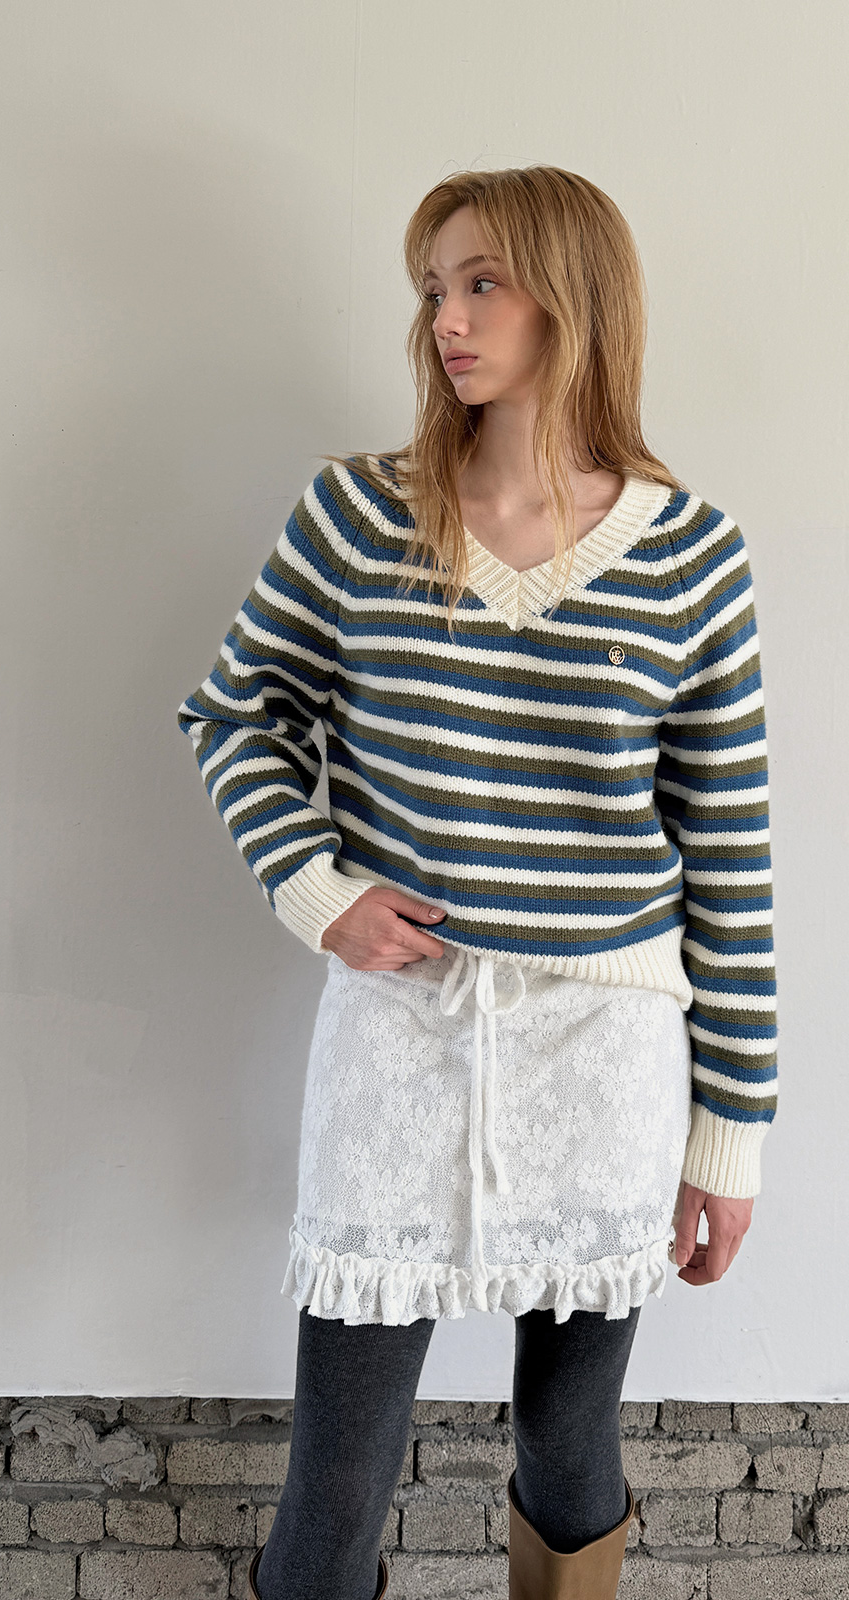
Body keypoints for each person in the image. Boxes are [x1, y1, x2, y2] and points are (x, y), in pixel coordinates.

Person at [177, 164, 778, 1600]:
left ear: (576, 297)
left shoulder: (692, 557)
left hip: (607, 1050)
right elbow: (235, 714)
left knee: (569, 1444)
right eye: (434, 288)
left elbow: (731, 858)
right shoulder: (355, 517)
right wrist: (316, 888)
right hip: (404, 1029)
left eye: (482, 282)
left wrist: (729, 1136)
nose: (446, 318)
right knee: (338, 1471)